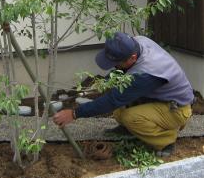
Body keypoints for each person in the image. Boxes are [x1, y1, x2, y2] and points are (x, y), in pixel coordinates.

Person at [53, 32, 194, 156]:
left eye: (116, 63)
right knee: (119, 112)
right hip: (159, 97)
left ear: (132, 58)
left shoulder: (144, 74)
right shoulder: (137, 42)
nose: (114, 66)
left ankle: (166, 140)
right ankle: (130, 130)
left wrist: (74, 114)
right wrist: (106, 81)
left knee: (129, 116)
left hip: (176, 109)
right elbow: (121, 70)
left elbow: (112, 100)